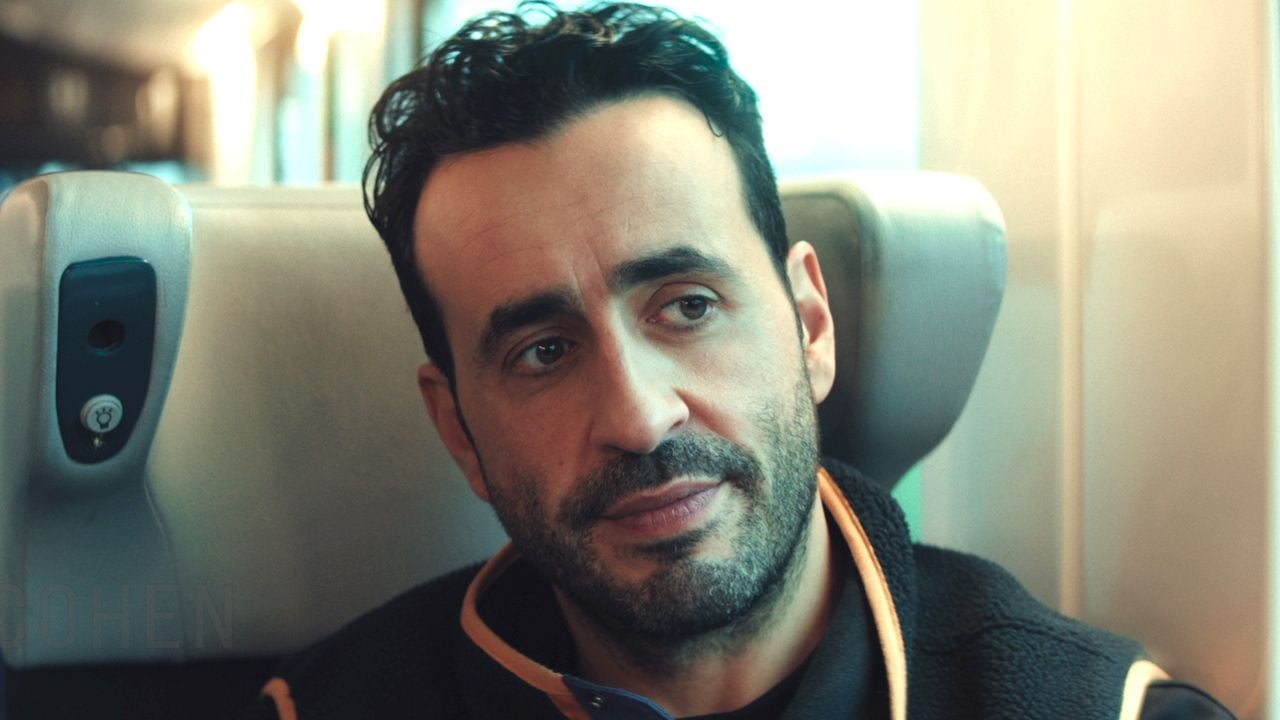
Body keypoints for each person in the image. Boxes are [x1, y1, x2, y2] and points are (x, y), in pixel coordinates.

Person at [246, 3, 1235, 718]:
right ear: (459, 428)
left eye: (687, 307)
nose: (639, 417)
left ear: (809, 324)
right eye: (543, 352)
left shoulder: (1089, 707)